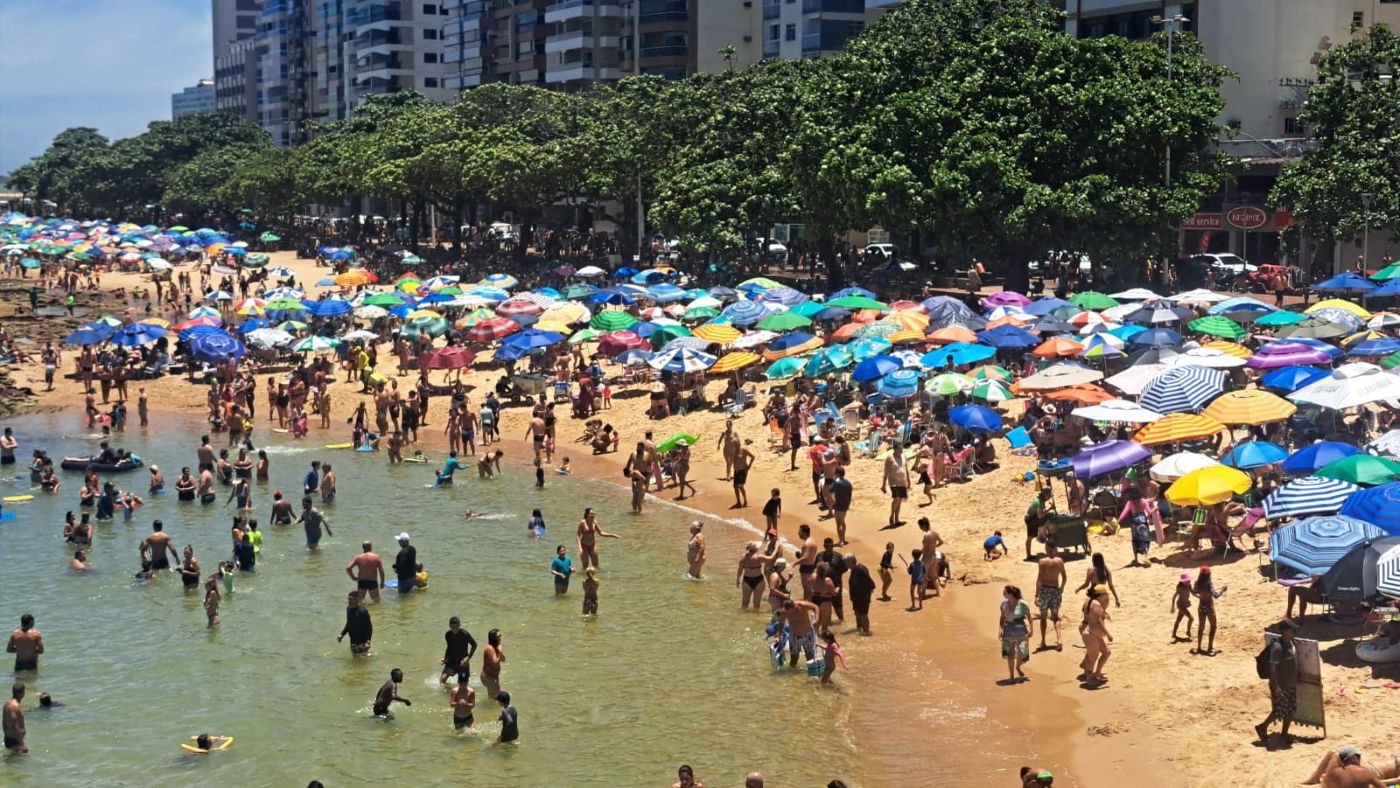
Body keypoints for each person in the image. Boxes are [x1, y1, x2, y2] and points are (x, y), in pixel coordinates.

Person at [1256, 618, 1299, 745]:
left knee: (1290, 709)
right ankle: (1262, 727)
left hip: (1290, 682)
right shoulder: (1278, 647)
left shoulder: (1291, 643)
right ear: (1285, 631)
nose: (1293, 632)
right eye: (1291, 630)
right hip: (1281, 684)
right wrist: (1276, 686)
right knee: (1279, 710)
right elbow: (1273, 668)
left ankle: (1284, 734)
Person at [1305, 745, 1398, 786]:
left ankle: (1315, 778)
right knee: (1334, 753)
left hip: (1372, 772)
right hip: (1368, 765)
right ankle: (1318, 778)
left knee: (1335, 754)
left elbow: (1398, 780)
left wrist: (1374, 782)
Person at [1077, 585, 1113, 685]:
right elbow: (1099, 621)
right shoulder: (1096, 605)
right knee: (1093, 656)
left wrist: (1104, 613)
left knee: (1106, 652)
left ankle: (1096, 672)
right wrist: (1108, 634)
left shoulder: (1090, 601)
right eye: (1105, 595)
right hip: (1091, 634)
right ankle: (1089, 678)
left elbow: (1093, 615)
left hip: (1093, 633)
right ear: (1101, 595)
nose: (1106, 597)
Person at [1034, 543, 1066, 651]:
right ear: (1055, 548)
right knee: (1055, 617)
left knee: (1043, 617)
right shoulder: (1059, 561)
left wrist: (1037, 595)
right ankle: (1059, 639)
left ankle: (1043, 641)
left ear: (1047, 549)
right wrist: (1061, 588)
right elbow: (1064, 577)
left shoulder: (1042, 562)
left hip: (1045, 590)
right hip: (1055, 590)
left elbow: (1039, 579)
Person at [1000, 585, 1032, 684]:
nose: (1003, 594)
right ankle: (1011, 676)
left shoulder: (1022, 604)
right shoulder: (1003, 604)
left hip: (1021, 631)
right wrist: (1000, 630)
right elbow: (1001, 618)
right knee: (1010, 655)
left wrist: (1031, 630)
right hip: (1008, 631)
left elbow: (1029, 617)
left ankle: (1018, 666)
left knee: (1022, 653)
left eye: (1005, 592)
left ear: (1011, 594)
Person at [1193, 566, 1227, 656]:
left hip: (1201, 606)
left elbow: (1193, 591)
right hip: (1209, 607)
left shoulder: (1197, 583)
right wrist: (1222, 590)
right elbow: (1216, 595)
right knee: (1213, 627)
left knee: (1201, 627)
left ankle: (1199, 647)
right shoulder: (1209, 584)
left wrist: (1199, 597)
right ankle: (1210, 648)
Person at [440, 616, 478, 685]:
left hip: (463, 662)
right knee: (442, 681)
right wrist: (445, 660)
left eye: (456, 627)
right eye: (452, 627)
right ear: (449, 626)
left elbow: (474, 644)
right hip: (452, 661)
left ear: (459, 625)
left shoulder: (465, 634)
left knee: (463, 684)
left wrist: (468, 657)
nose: (455, 629)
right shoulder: (448, 635)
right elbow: (449, 648)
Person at [880, 441, 909, 527]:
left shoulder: (904, 457)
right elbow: (886, 472)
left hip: (903, 481)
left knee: (900, 500)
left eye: (902, 448)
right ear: (895, 449)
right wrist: (883, 485)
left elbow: (906, 469)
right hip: (893, 481)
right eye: (900, 449)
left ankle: (897, 519)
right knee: (896, 498)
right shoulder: (890, 458)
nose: (901, 450)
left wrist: (909, 481)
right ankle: (892, 514)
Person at [846, 554, 876, 635]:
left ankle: (866, 632)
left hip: (863, 597)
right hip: (856, 598)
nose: (845, 564)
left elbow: (871, 583)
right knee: (857, 613)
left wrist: (867, 594)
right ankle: (859, 629)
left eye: (846, 562)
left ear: (851, 562)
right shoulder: (854, 569)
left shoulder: (860, 569)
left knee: (863, 615)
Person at [1025, 488, 1052, 560]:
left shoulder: (1038, 500)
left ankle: (1028, 555)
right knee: (1048, 520)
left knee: (1030, 537)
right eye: (1049, 496)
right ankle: (1043, 534)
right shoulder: (1040, 502)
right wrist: (1049, 510)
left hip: (1031, 517)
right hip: (1031, 519)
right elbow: (1040, 515)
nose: (1049, 497)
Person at [828, 468, 853, 546]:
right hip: (846, 504)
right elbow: (850, 495)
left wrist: (834, 480)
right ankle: (843, 539)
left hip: (839, 505)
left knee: (839, 524)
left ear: (838, 474)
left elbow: (830, 490)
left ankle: (841, 541)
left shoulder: (837, 483)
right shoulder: (848, 483)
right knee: (842, 522)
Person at [1171, 573, 1195, 642]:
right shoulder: (1179, 587)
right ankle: (1188, 632)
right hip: (1180, 605)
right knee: (1191, 618)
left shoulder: (1189, 586)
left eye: (1189, 580)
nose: (1189, 582)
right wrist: (1173, 606)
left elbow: (1193, 593)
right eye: (1188, 581)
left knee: (1178, 620)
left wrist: (1199, 596)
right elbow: (1174, 597)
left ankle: (1174, 634)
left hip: (1185, 604)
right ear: (1183, 582)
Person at [3, 681, 26, 754]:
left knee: (12, 762)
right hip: (16, 741)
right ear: (21, 693)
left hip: (10, 738)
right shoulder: (15, 706)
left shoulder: (7, 703)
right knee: (22, 762)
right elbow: (14, 725)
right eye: (24, 691)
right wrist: (22, 744)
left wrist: (7, 735)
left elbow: (4, 723)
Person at [481, 629, 504, 700]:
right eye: (498, 636)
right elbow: (495, 663)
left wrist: (501, 651)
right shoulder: (489, 649)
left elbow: (503, 660)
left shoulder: (497, 647)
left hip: (494, 677)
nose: (500, 637)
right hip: (488, 677)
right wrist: (500, 652)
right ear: (493, 638)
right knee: (502, 696)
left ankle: (490, 710)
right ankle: (504, 710)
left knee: (492, 698)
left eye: (500, 636)